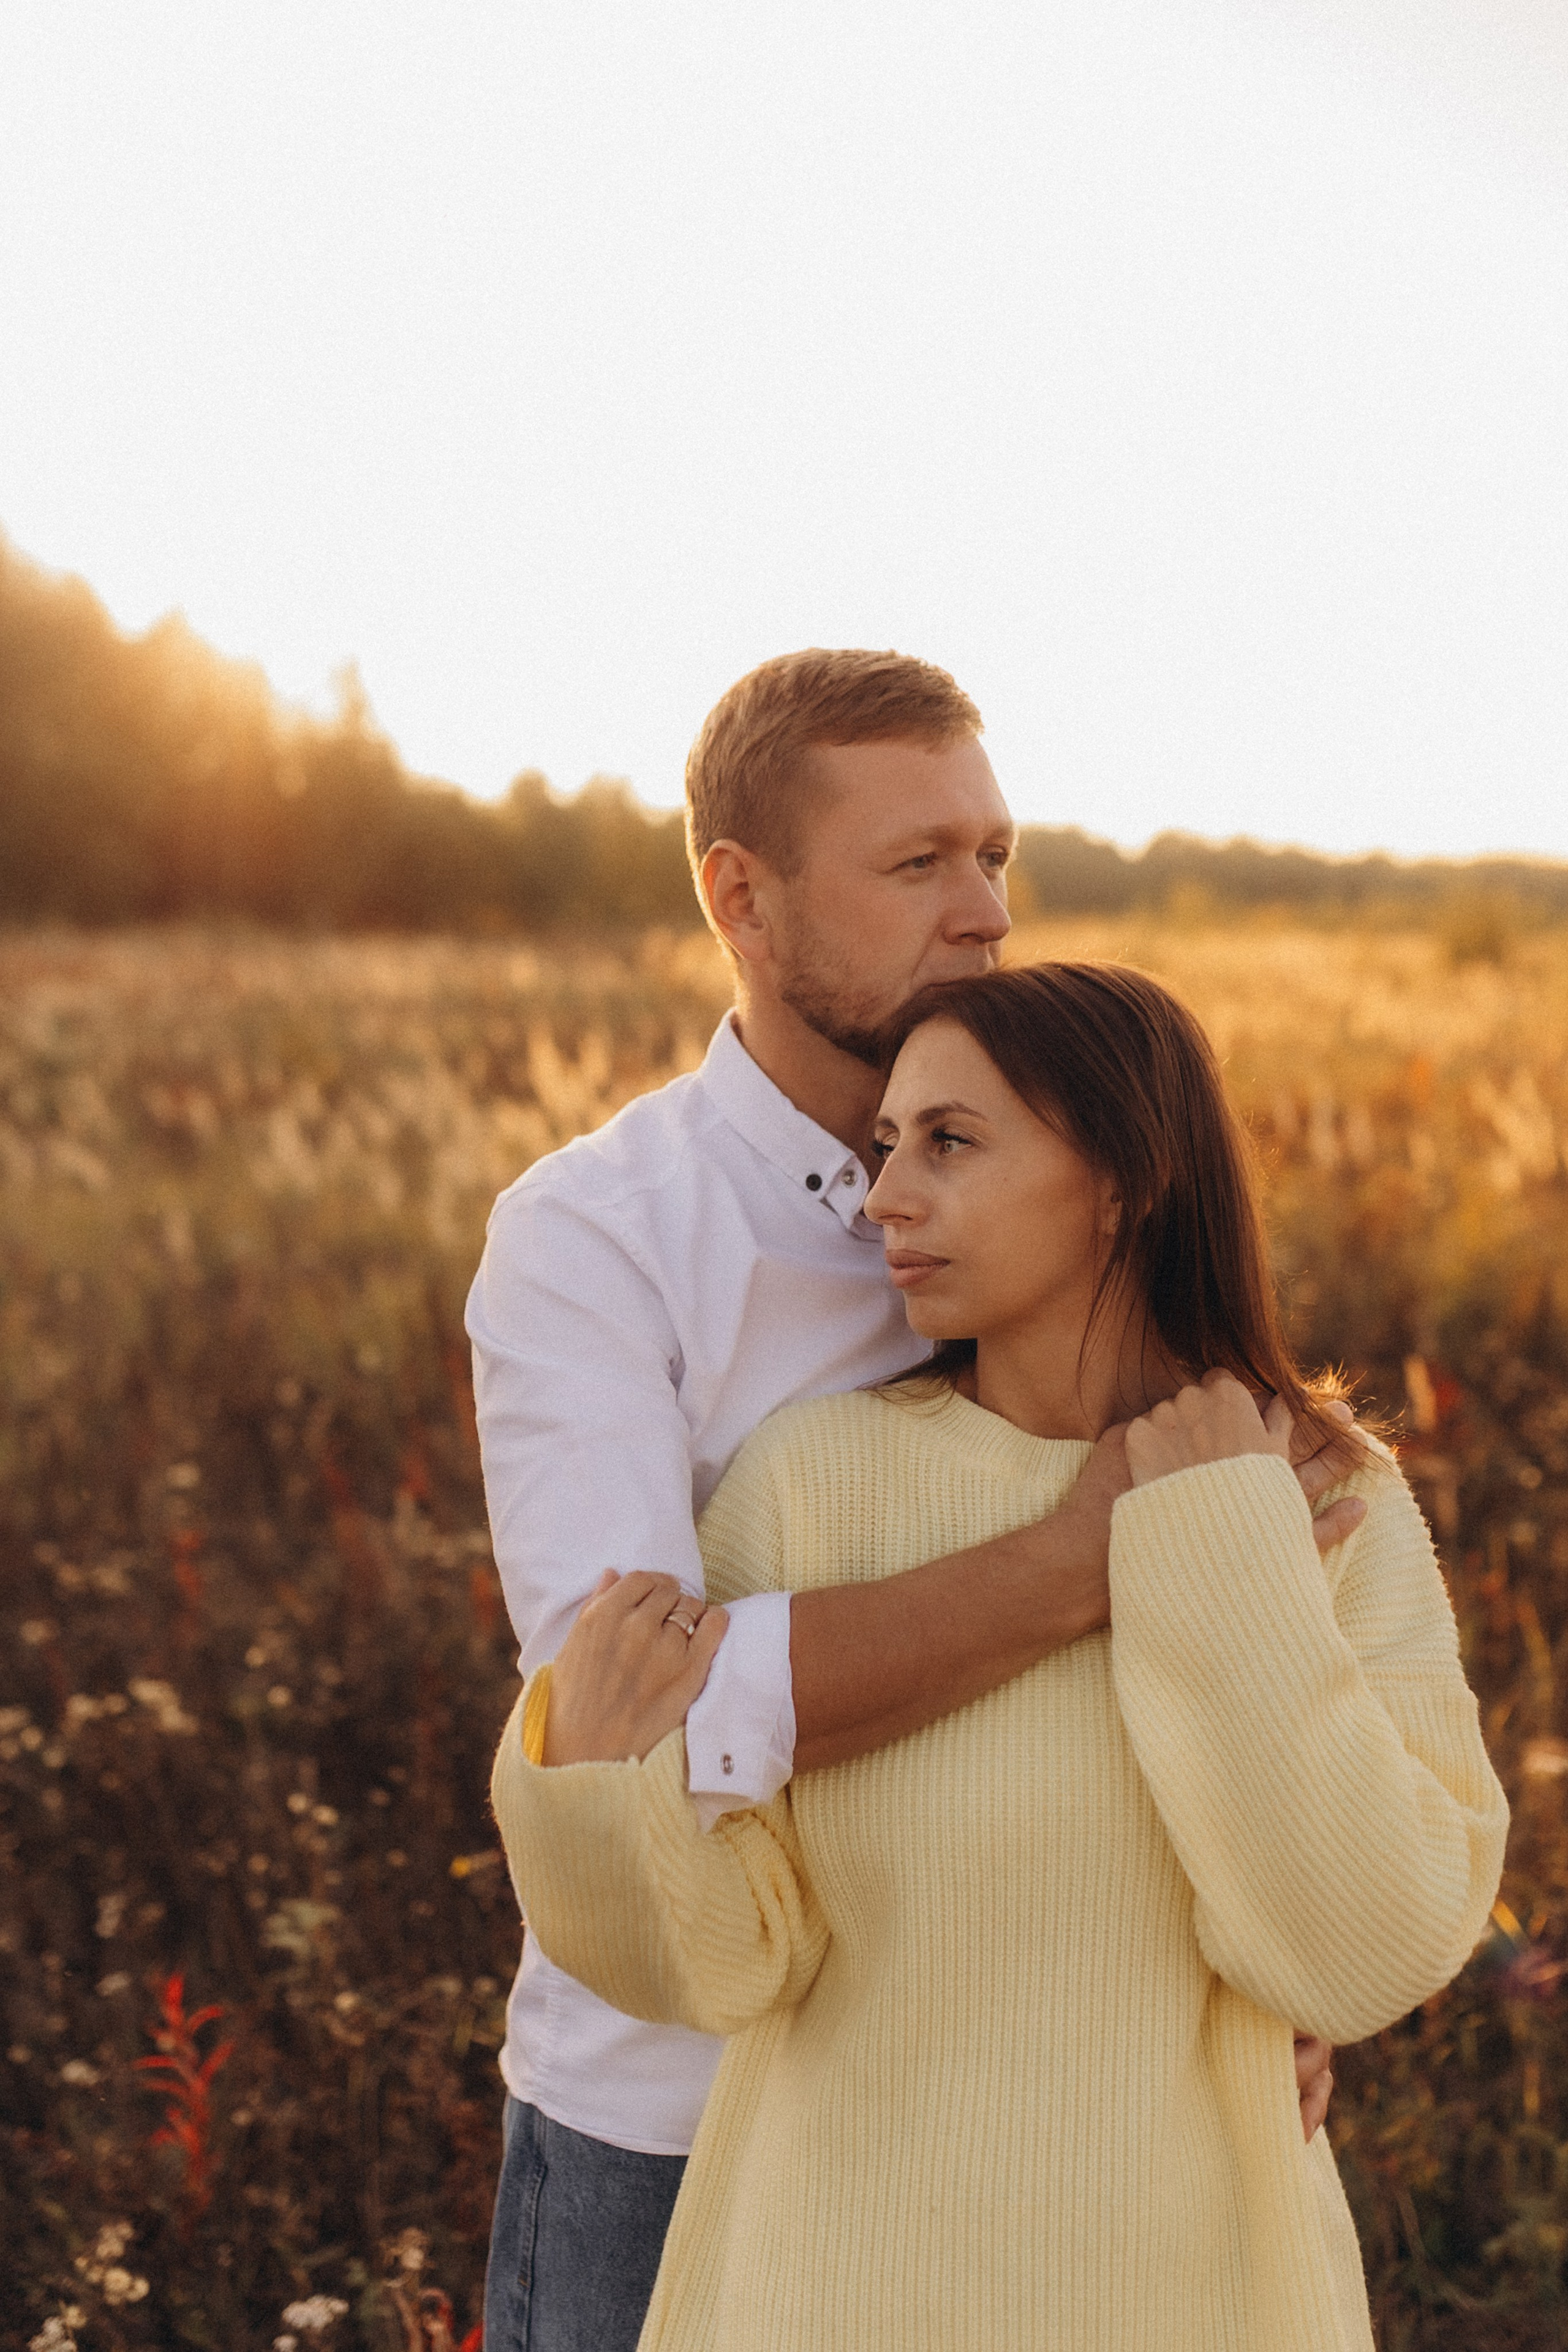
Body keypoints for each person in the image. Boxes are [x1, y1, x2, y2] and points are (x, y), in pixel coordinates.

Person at [467, 651, 1354, 2350]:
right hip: (684, 2109)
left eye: (996, 855)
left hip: (1057, 2119)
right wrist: (1091, 1550)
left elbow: (1246, 1624)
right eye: (918, 864)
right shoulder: (596, 1241)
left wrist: (1268, 1964)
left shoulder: (1079, 1169)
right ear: (743, 896)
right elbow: (634, 1718)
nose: (987, 914)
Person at [493, 960, 1508, 2352]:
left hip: (1193, 2300)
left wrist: (1215, 1535)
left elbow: (1358, 1950)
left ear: (1125, 1175)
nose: (881, 1197)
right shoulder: (813, 1486)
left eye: (949, 1144)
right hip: (828, 2295)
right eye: (883, 1146)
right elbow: (722, 1964)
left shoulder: (1325, 1494)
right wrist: (600, 1793)